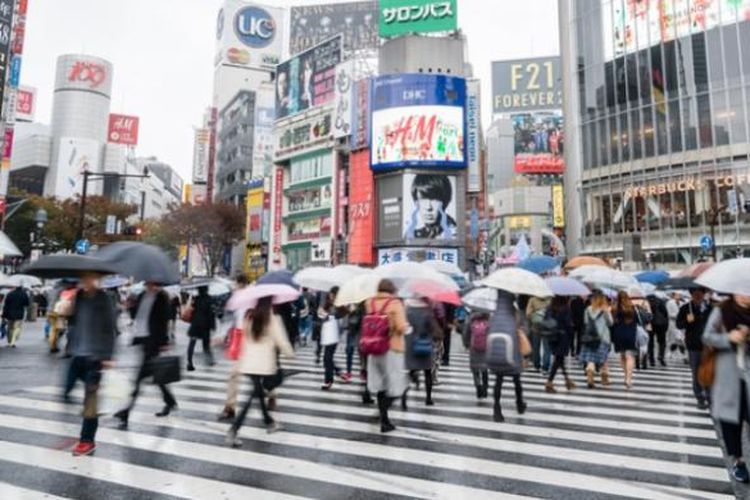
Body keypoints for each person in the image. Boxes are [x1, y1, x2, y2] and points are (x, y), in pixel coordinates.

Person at [226, 296, 295, 447]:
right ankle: (233, 430)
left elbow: (244, 339)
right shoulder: (272, 318)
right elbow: (281, 341)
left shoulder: (249, 316)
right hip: (263, 365)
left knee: (257, 394)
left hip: (249, 363)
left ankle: (269, 422)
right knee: (252, 398)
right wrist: (290, 354)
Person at [66, 272, 117, 456]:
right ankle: (87, 416)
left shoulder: (104, 298)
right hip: (77, 354)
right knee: (66, 391)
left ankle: (87, 440)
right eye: (83, 277)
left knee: (91, 400)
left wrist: (108, 356)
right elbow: (73, 322)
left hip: (95, 357)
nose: (85, 280)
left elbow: (110, 328)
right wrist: (69, 309)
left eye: (89, 277)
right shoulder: (78, 296)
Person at [114, 282, 177, 429]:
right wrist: (130, 307)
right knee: (156, 376)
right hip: (143, 340)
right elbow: (136, 315)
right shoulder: (142, 295)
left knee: (139, 379)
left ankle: (126, 412)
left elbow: (164, 320)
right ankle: (170, 401)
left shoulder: (162, 297)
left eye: (151, 282)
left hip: (153, 343)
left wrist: (164, 341)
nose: (148, 285)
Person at [702, 293, 750, 484]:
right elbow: (707, 337)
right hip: (728, 374)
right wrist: (729, 337)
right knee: (732, 422)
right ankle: (738, 461)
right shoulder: (722, 311)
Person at [366, 279, 409, 433]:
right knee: (397, 386)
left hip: (373, 347)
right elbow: (401, 326)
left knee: (380, 386)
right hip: (391, 348)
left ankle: (384, 419)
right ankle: (383, 417)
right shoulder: (394, 303)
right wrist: (407, 328)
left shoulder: (370, 302)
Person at [490, 290, 527, 423]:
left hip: (496, 351)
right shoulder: (513, 311)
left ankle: (496, 408)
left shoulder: (495, 312)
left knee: (498, 380)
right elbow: (519, 329)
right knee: (516, 378)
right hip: (511, 352)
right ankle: (519, 403)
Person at [219, 274, 250, 421]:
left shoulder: (252, 298)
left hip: (250, 339)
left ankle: (271, 394)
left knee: (257, 377)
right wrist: (224, 333)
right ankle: (230, 407)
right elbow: (231, 318)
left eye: (236, 284)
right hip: (239, 337)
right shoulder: (236, 298)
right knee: (234, 374)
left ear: (240, 283)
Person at [677, 287, 713, 409]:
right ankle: (700, 397)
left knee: (709, 371)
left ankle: (710, 396)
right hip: (693, 345)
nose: (698, 296)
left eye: (700, 294)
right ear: (691, 295)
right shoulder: (686, 308)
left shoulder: (710, 308)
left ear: (704, 294)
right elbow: (678, 324)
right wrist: (687, 321)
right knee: (696, 372)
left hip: (709, 345)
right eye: (695, 294)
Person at [404, 296, 441, 407]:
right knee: (428, 372)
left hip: (410, 343)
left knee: (411, 369)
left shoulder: (407, 308)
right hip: (424, 342)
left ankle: (404, 394)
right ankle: (428, 398)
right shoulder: (427, 310)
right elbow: (434, 328)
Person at [402, 174, 457, 240]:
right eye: (423, 199)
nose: (428, 207)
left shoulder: (454, 234)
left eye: (434, 199)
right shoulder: (413, 232)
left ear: (445, 201)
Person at [579, 290, 614, 388]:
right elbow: (610, 323)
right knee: (604, 359)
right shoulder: (605, 309)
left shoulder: (588, 309)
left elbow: (585, 322)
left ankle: (590, 375)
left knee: (591, 359)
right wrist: (607, 312)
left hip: (590, 337)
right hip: (604, 338)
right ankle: (604, 378)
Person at [545, 296, 576, 393]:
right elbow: (568, 324)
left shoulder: (549, 307)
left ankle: (567, 380)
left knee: (559, 359)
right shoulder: (565, 308)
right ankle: (549, 382)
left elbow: (546, 320)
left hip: (552, 336)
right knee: (558, 359)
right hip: (562, 337)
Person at [319, 287, 345, 389]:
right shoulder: (327, 303)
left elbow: (342, 316)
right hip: (327, 334)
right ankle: (337, 371)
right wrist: (322, 313)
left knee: (327, 358)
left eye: (332, 294)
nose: (330, 296)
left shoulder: (340, 305)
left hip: (334, 335)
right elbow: (321, 316)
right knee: (327, 358)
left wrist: (332, 313)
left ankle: (328, 381)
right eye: (330, 294)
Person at [612, 291, 638, 389]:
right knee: (630, 356)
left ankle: (625, 375)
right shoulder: (632, 308)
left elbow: (613, 322)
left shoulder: (615, 309)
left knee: (623, 356)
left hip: (618, 334)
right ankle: (628, 378)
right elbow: (637, 321)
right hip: (631, 333)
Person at [186, 286, 216, 371]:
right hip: (205, 325)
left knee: (192, 343)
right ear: (207, 289)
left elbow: (192, 310)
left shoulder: (196, 299)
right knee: (206, 344)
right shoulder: (210, 299)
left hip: (195, 324)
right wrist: (212, 326)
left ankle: (189, 363)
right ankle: (210, 361)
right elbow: (211, 314)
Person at [462, 310, 490, 399]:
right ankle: (485, 389)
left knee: (475, 369)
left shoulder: (471, 319)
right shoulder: (488, 319)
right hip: (486, 348)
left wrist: (466, 343)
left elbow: (466, 333)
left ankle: (478, 387)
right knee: (485, 369)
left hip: (474, 348)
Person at [526, 295, 552, 372]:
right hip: (547, 326)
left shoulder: (532, 299)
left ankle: (537, 365)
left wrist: (534, 315)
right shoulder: (550, 300)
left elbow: (528, 314)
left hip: (536, 327)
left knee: (536, 347)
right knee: (547, 347)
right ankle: (545, 366)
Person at [646, 293, 669, 367]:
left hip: (650, 324)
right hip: (661, 324)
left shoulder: (646, 301)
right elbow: (665, 313)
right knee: (662, 342)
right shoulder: (660, 301)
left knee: (650, 342)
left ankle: (651, 359)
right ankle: (661, 356)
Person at [666, 292, 686, 361]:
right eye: (677, 294)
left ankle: (680, 354)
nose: (679, 296)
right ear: (673, 295)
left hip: (680, 324)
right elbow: (669, 314)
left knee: (680, 340)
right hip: (673, 323)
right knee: (675, 340)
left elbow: (684, 313)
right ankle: (672, 353)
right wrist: (678, 315)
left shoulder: (682, 303)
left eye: (680, 294)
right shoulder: (670, 303)